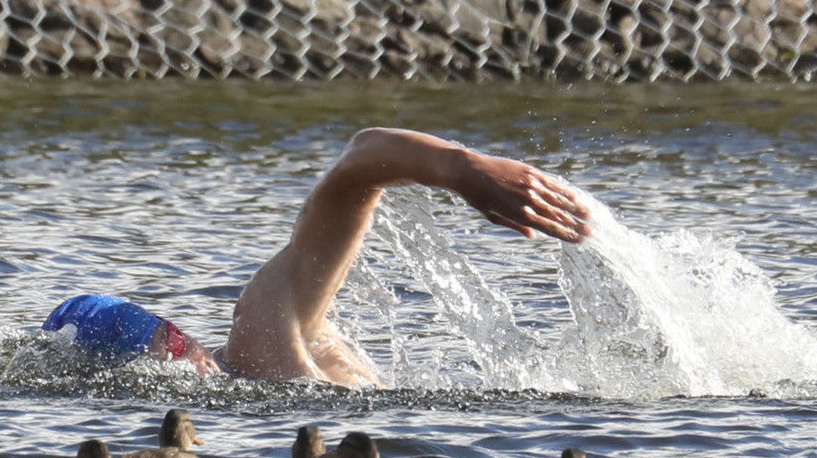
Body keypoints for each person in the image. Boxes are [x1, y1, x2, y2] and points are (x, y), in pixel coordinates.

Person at [42, 127, 590, 387]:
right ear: (146, 375)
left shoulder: (266, 328)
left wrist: (463, 167)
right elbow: (361, 157)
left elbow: (362, 158)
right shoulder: (262, 359)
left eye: (177, 337)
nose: (188, 354)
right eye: (172, 347)